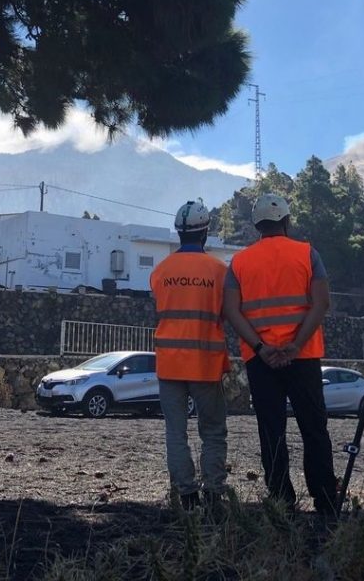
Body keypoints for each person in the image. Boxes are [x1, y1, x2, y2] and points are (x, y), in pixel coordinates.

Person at [222, 193, 337, 517]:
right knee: (314, 428)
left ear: (256, 225)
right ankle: (326, 500)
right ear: (287, 221)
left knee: (271, 431)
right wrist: (296, 345)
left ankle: (282, 501)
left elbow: (231, 310)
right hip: (303, 356)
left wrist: (261, 348)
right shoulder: (307, 254)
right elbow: (321, 303)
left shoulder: (240, 262)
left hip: (261, 360)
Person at [150, 200, 229, 511]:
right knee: (213, 432)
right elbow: (227, 313)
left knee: (176, 432)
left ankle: (186, 496)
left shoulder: (161, 271)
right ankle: (214, 494)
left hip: (169, 364)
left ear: (179, 232)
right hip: (205, 365)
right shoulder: (219, 272)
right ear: (205, 232)